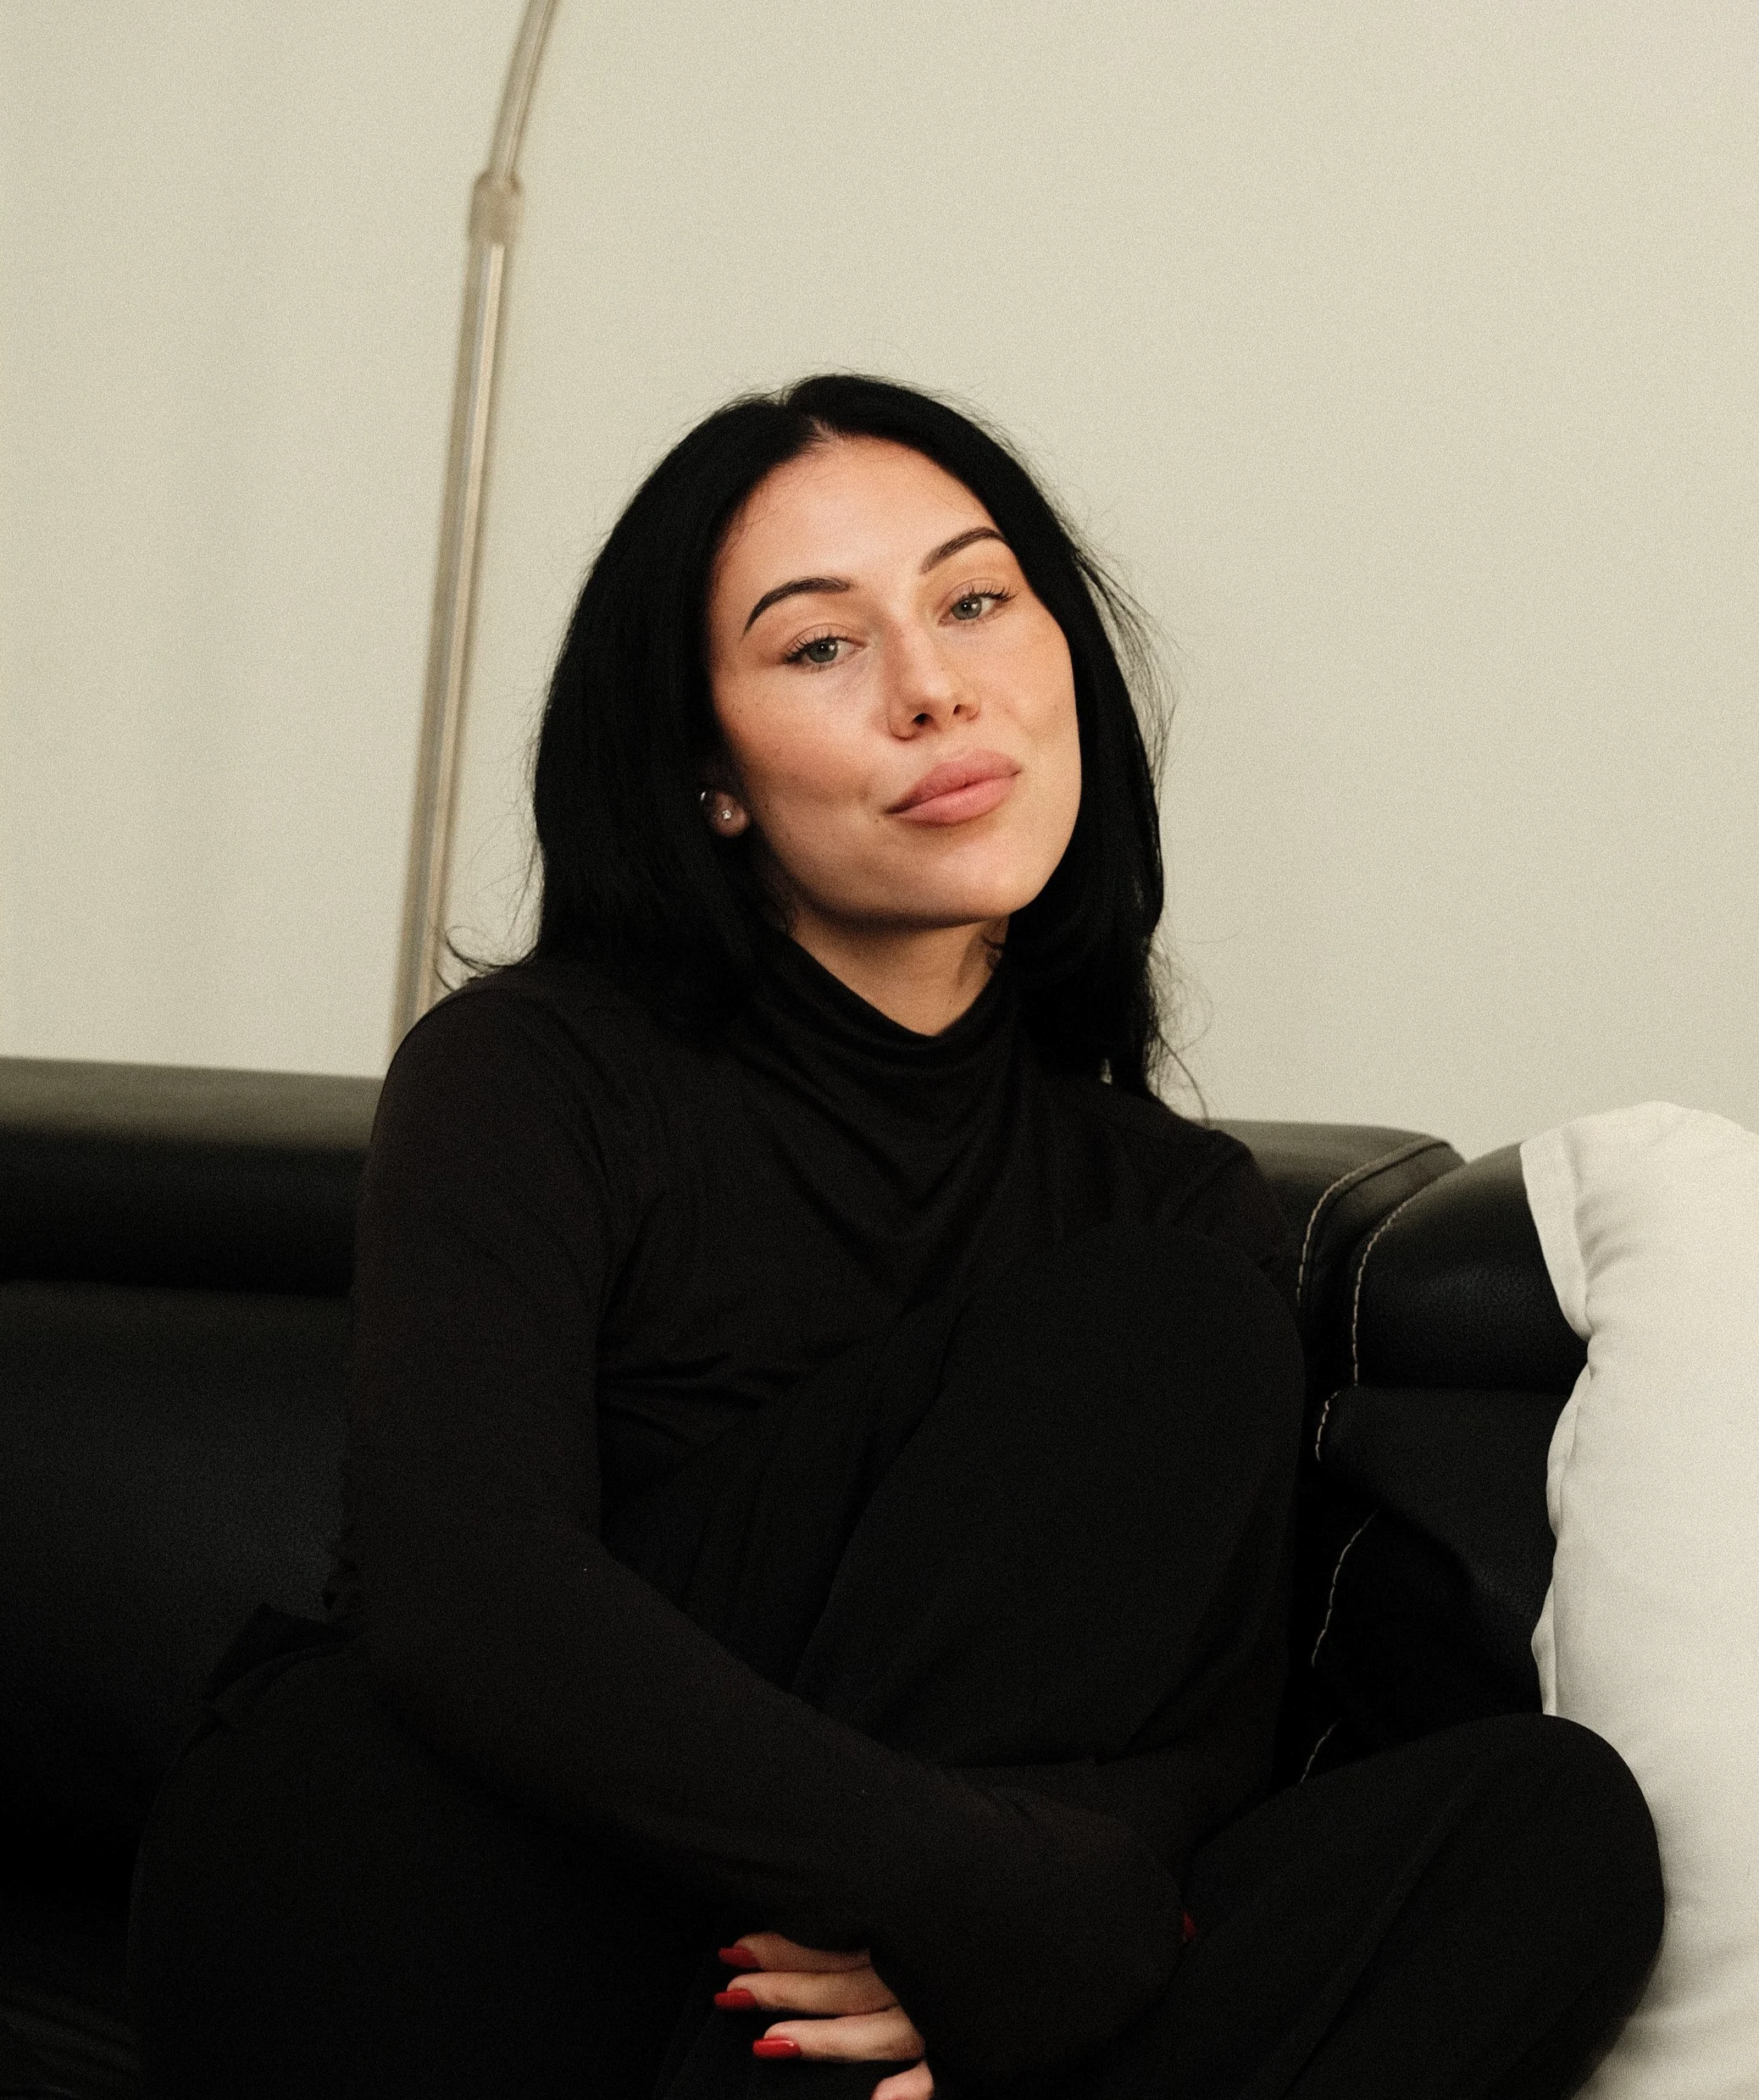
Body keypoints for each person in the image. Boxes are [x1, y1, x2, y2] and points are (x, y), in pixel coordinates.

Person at [130, 374, 1662, 2100]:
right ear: (704, 772)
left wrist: (1040, 1904)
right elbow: (467, 1597)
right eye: (817, 648)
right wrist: (972, 1893)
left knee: (1545, 1830)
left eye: (976, 600)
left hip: (831, 1979)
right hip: (442, 1882)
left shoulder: (1166, 1196)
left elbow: (1201, 1744)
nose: (935, 685)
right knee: (1153, 1341)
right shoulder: (533, 1072)